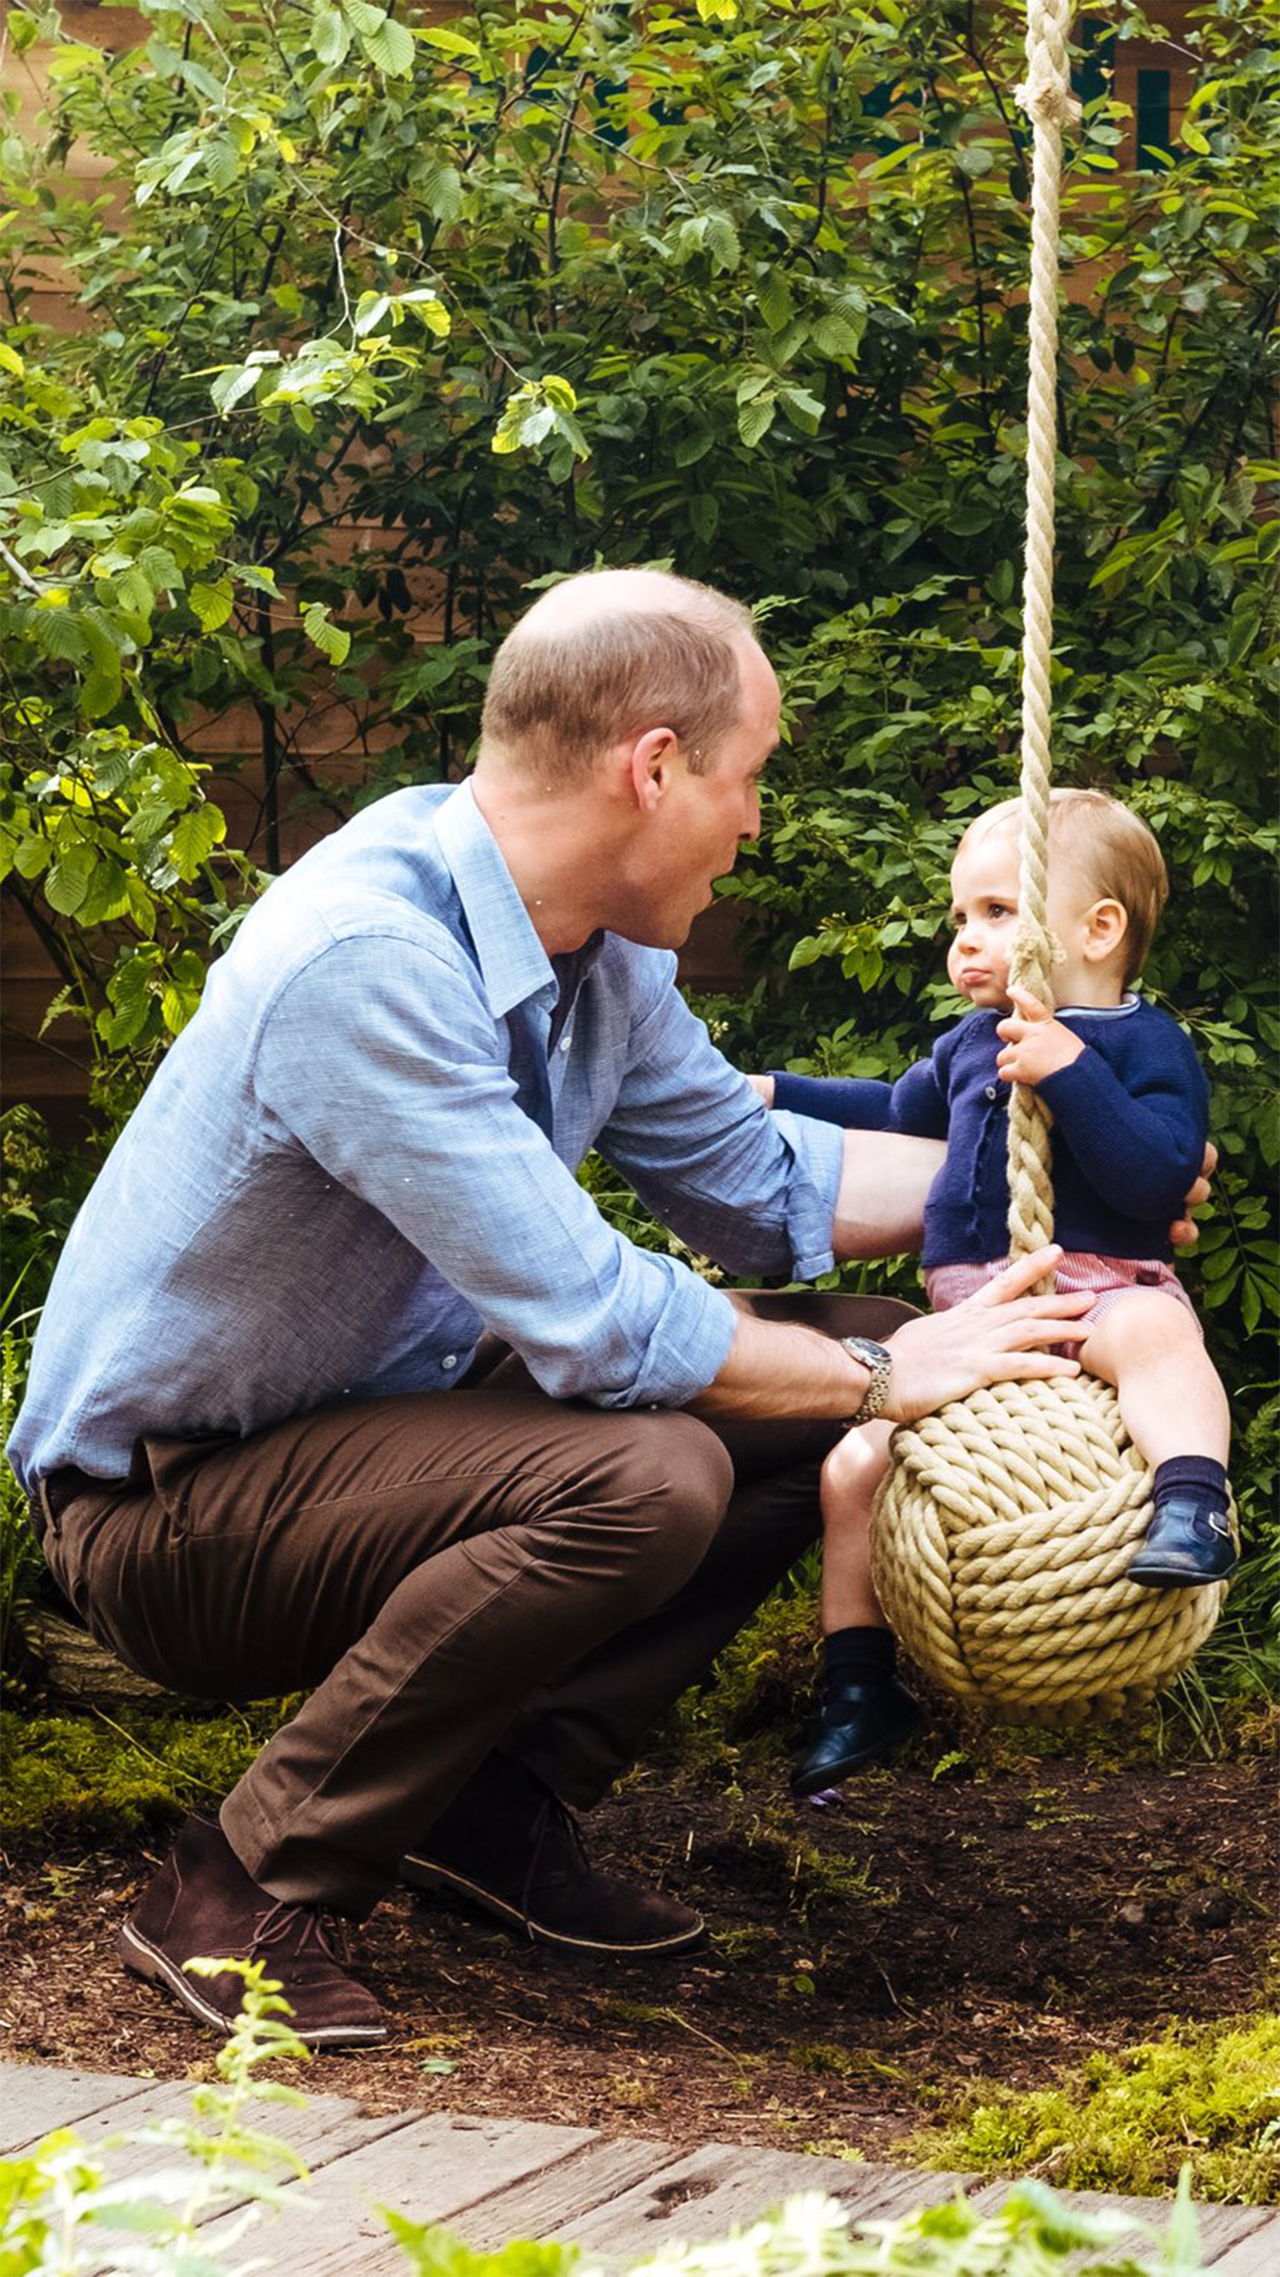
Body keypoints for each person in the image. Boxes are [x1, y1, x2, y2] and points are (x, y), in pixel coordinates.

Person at [7, 575, 1207, 2050]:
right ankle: (238, 1885)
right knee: (663, 1467)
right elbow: (596, 1320)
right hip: (170, 1515)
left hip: (375, 1435)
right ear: (656, 768)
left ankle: (490, 1801)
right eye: (750, 777)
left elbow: (761, 1182)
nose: (756, 821)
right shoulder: (369, 960)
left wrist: (1085, 1187)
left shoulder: (599, 954)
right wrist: (885, 1370)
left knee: (827, 1349)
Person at [753, 789, 1234, 1800]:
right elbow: (890, 1110)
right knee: (854, 1465)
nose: (964, 941)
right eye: (957, 918)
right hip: (973, 1320)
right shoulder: (972, 1042)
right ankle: (855, 1686)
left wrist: (1068, 1073)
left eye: (995, 912)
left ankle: (1191, 1503)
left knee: (1154, 1331)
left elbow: (1153, 1176)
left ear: (1097, 929)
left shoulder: (1143, 1047)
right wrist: (773, 1091)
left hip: (1094, 1293)